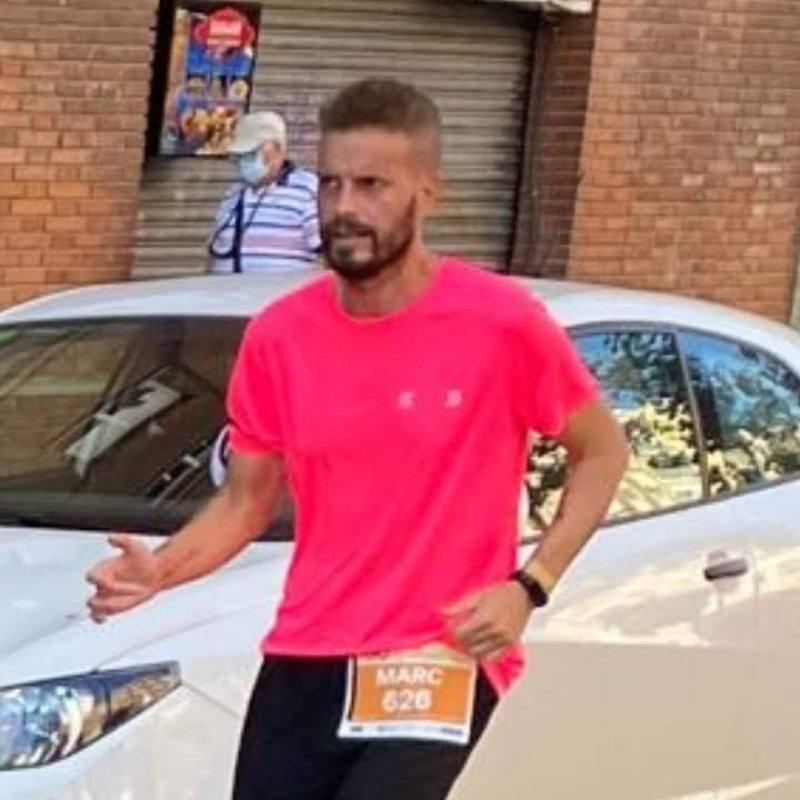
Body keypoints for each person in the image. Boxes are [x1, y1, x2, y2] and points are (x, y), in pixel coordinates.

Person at [87, 78, 629, 800]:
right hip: (309, 648)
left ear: (427, 193)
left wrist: (530, 586)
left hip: (438, 651)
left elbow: (602, 451)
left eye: (372, 185)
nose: (344, 207)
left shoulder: (502, 323)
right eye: (331, 183)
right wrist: (160, 570)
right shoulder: (280, 337)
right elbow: (246, 502)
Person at [208, 110, 321, 273]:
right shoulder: (233, 194)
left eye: (251, 153)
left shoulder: (306, 189)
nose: (244, 161)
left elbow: (328, 254)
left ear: (278, 149)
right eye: (240, 156)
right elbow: (214, 253)